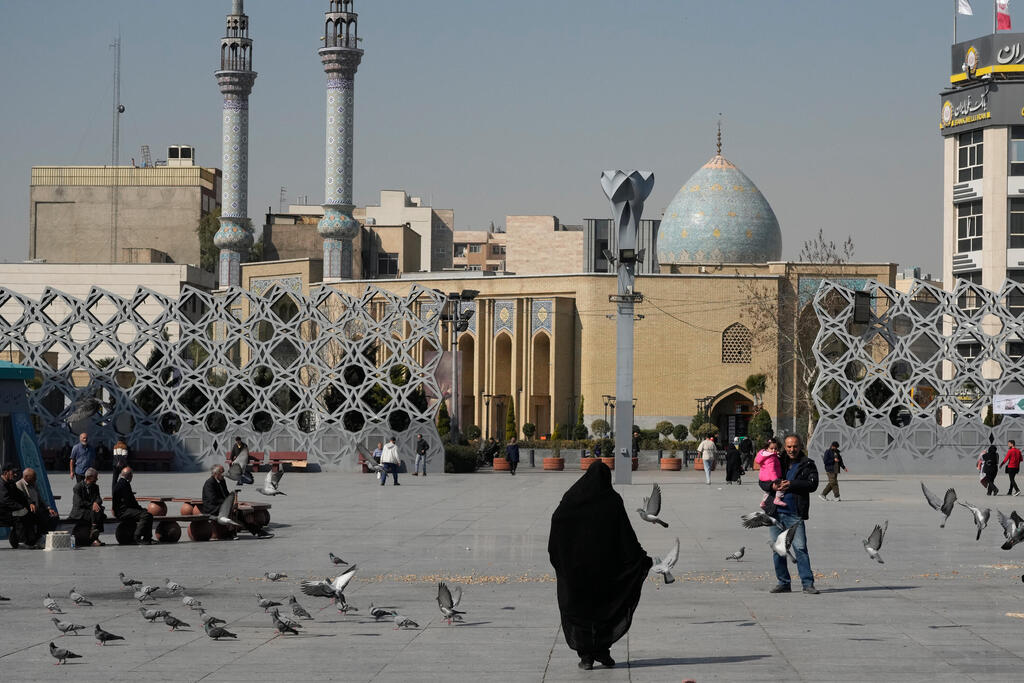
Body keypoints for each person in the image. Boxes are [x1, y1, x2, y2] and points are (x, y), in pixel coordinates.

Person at [548, 462, 651, 670]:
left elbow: (557, 524)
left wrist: (562, 559)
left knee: (580, 612)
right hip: (605, 571)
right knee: (603, 611)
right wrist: (640, 558)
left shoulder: (571, 499)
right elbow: (625, 535)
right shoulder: (612, 500)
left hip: (577, 572)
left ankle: (586, 656)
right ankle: (602, 651)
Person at [767, 435, 820, 594]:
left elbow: (813, 484)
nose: (792, 450)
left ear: (800, 446)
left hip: (794, 513)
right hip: (776, 513)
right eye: (789, 447)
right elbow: (763, 480)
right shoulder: (777, 461)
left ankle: (807, 583)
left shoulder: (808, 464)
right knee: (778, 549)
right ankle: (783, 582)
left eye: (795, 446)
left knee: (800, 548)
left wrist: (792, 484)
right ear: (785, 447)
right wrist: (772, 486)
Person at [201, 465, 273, 538]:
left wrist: (233, 502)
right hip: (212, 508)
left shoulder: (222, 481)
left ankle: (257, 532)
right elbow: (213, 499)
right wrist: (228, 504)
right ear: (216, 473)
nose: (224, 474)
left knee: (240, 513)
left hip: (221, 505)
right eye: (222, 472)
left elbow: (226, 495)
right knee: (233, 512)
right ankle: (233, 533)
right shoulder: (209, 483)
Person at [16, 467, 58, 548]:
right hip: (26, 511)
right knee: (40, 517)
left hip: (37, 510)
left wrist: (48, 508)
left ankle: (43, 536)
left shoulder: (33, 484)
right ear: (26, 477)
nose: (35, 479)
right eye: (33, 478)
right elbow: (22, 499)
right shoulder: (19, 485)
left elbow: (40, 499)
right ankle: (37, 538)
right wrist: (30, 504)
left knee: (54, 517)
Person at [112, 467, 154, 545]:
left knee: (148, 515)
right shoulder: (124, 484)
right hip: (123, 511)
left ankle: (148, 538)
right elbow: (130, 502)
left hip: (121, 510)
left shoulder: (120, 483)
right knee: (146, 515)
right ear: (129, 476)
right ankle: (137, 536)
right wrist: (140, 509)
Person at [68, 467, 106, 546]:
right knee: (97, 513)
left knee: (98, 511)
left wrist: (96, 502)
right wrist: (92, 505)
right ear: (89, 477)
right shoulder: (78, 487)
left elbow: (99, 499)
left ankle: (94, 532)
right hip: (80, 511)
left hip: (90, 510)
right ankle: (94, 536)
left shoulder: (95, 487)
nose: (97, 479)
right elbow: (79, 502)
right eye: (95, 477)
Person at [0, 463, 32, 549]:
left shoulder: (10, 483)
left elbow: (20, 495)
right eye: (12, 472)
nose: (15, 474)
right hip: (2, 513)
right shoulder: (1, 484)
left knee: (29, 514)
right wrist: (20, 507)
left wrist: (30, 503)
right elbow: (5, 500)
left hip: (8, 511)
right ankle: (20, 542)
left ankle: (29, 539)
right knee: (19, 517)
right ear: (6, 473)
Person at [756, 437, 787, 509]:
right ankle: (777, 499)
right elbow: (771, 469)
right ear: (767, 448)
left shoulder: (765, 455)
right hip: (771, 477)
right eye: (771, 448)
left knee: (768, 492)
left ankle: (763, 502)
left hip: (764, 478)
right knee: (782, 486)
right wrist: (775, 480)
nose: (774, 450)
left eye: (775, 449)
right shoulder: (771, 458)